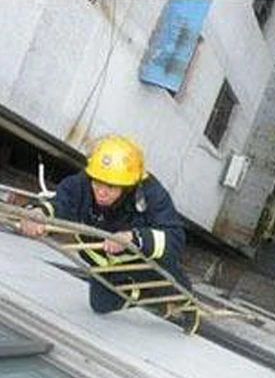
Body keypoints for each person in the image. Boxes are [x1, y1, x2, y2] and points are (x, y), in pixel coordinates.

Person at [19, 135, 190, 315]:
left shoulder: (151, 194)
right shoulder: (85, 182)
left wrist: (133, 238)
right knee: (100, 305)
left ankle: (176, 296)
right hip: (105, 265)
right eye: (97, 182)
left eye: (110, 187)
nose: (101, 192)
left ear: (128, 186)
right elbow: (61, 202)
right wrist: (37, 213)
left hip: (145, 267)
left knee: (171, 288)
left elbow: (175, 239)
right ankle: (147, 299)